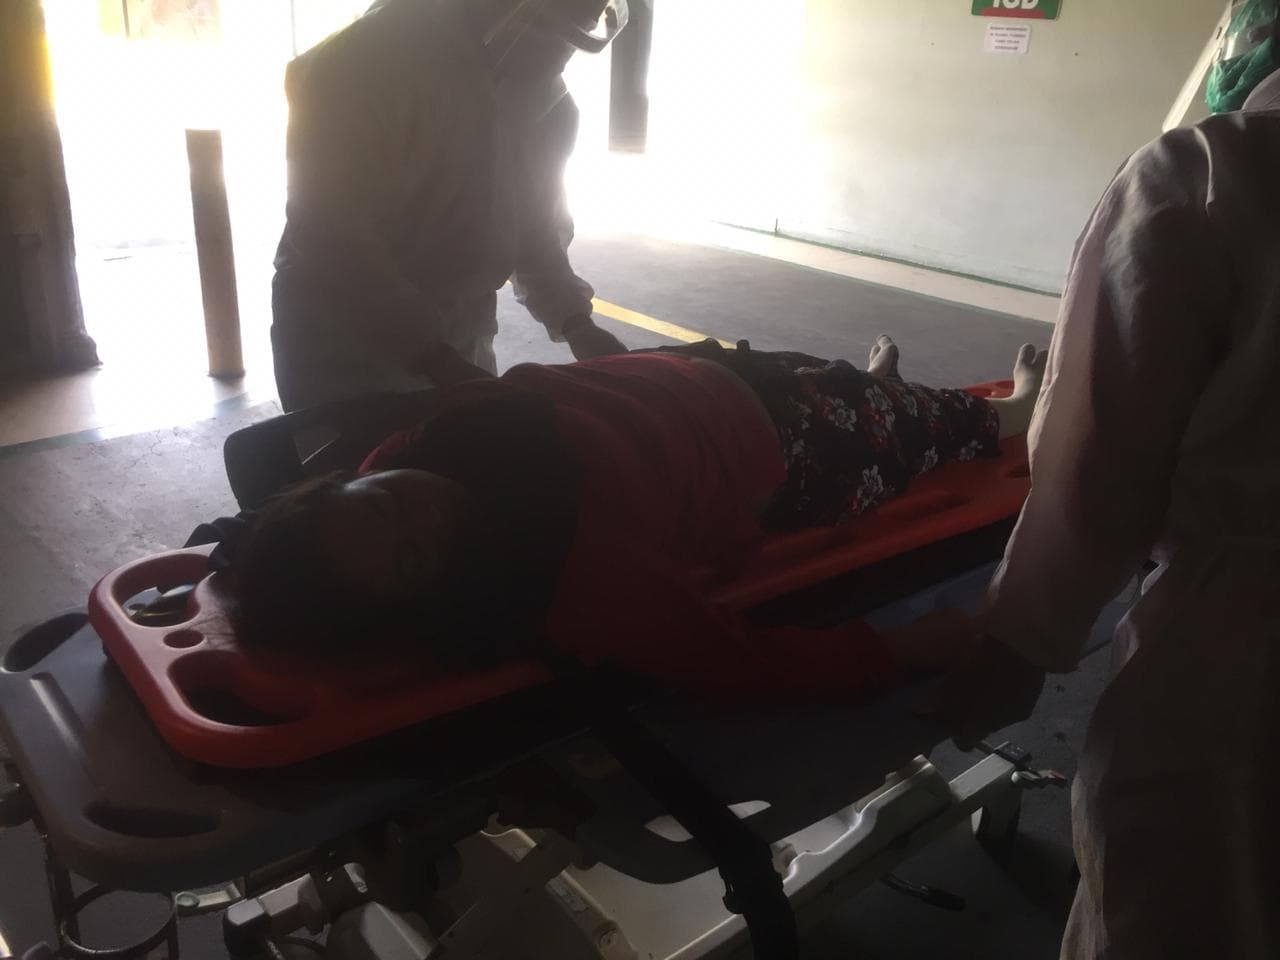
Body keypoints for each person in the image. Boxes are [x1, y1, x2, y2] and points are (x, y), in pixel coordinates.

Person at [938, 8, 1280, 956]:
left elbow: (1097, 460)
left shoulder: (1212, 178)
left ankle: (965, 410)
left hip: (1235, 671)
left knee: (1180, 907)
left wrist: (1019, 641)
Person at [232, 337, 1045, 702]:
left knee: (829, 375)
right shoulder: (567, 574)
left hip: (705, 373)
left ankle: (875, 388)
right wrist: (895, 651)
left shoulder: (412, 447)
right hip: (791, 450)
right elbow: (732, 660)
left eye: (383, 500)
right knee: (946, 425)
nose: (427, 517)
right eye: (414, 559)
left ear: (349, 481)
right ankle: (1008, 411)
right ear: (422, 599)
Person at [270, 0, 631, 412]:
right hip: (343, 349)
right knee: (366, 455)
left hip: (461, 336)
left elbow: (533, 230)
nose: (560, 53)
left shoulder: (544, 104)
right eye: (555, 31)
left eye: (575, 36)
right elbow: (333, 240)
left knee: (461, 447)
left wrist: (577, 323)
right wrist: (436, 360)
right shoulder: (363, 66)